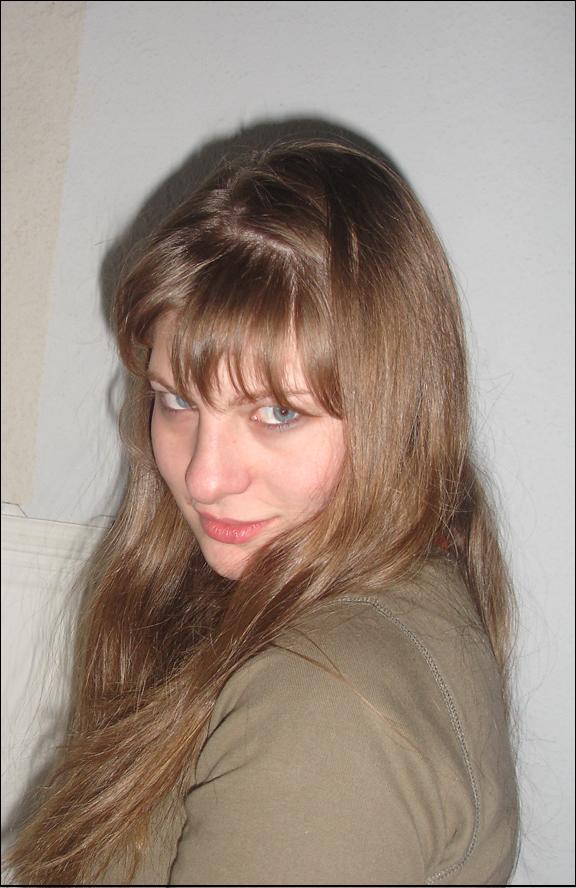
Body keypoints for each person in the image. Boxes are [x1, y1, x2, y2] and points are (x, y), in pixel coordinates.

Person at [6, 138, 519, 885]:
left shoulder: (328, 704)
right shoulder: (378, 581)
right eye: (176, 400)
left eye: (278, 412)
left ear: (397, 415)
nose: (204, 476)